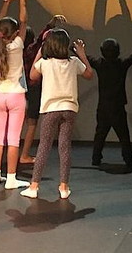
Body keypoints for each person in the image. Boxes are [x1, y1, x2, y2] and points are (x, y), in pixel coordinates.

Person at [20, 29, 93, 199]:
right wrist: (82, 54)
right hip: (69, 109)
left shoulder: (45, 63)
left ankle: (34, 186)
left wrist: (40, 50)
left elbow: (32, 75)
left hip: (50, 109)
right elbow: (89, 74)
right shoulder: (73, 62)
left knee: (44, 146)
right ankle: (64, 187)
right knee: (64, 147)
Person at [88, 38, 132, 169]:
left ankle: (96, 158)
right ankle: (128, 160)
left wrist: (73, 48)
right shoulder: (122, 65)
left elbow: (85, 58)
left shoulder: (99, 64)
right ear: (118, 51)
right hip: (117, 107)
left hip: (103, 106)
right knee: (123, 136)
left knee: (100, 134)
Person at [0, 0, 32, 189]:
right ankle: (12, 178)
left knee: (0, 137)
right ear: (15, 33)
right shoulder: (17, 46)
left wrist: (7, 2)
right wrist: (22, 0)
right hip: (15, 96)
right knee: (13, 138)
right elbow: (24, 21)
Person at [20, 14, 67, 164]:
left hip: (19, 88)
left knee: (18, 124)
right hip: (34, 89)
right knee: (32, 124)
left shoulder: (15, 51)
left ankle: (15, 154)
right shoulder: (32, 49)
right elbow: (42, 39)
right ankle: (24, 155)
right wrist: (52, 23)